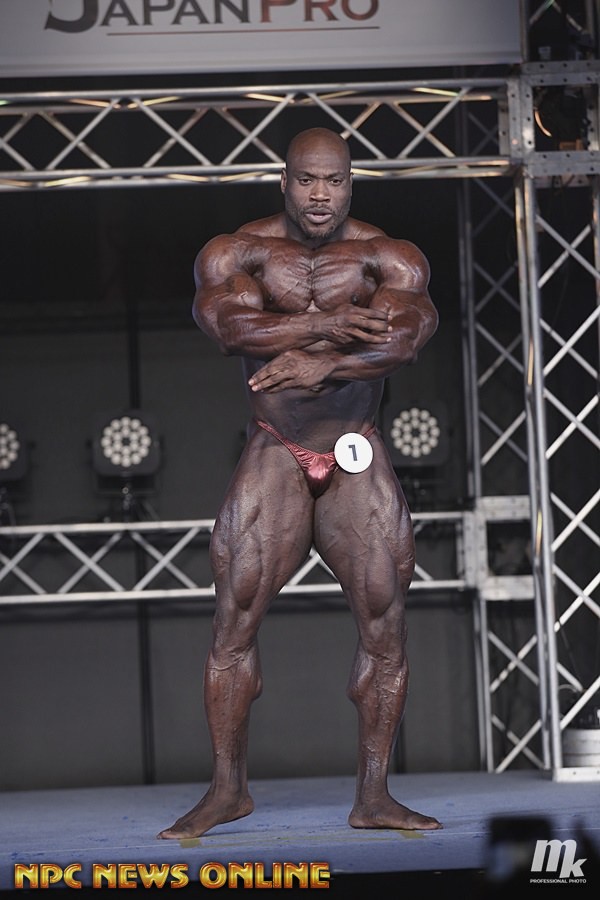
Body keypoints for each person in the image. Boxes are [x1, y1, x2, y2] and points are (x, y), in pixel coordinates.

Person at [158, 127, 441, 839]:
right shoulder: (238, 252)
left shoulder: (389, 257)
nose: (321, 195)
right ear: (283, 181)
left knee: (385, 624)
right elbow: (230, 329)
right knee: (233, 621)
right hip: (276, 448)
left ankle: (374, 796)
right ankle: (228, 790)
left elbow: (406, 338)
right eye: (308, 180)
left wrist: (325, 362)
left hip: (355, 448)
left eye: (334, 181)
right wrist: (341, 323)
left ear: (351, 183)